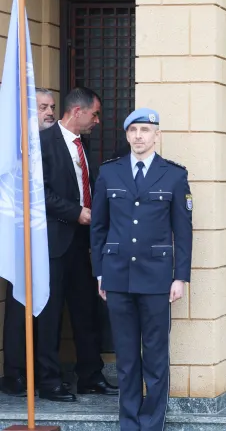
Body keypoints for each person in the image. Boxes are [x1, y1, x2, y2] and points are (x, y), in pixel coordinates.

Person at [91, 107, 192, 431]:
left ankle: (151, 423)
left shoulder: (174, 176)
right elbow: (98, 227)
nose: (138, 136)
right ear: (126, 135)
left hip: (156, 278)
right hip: (118, 275)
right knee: (126, 356)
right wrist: (100, 273)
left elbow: (184, 230)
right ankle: (129, 422)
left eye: (145, 130)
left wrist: (180, 277)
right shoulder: (110, 173)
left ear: (157, 135)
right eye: (133, 131)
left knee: (156, 356)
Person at [36, 86, 117, 402]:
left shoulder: (84, 146)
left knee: (87, 313)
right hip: (54, 243)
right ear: (77, 112)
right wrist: (77, 213)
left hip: (84, 245)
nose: (98, 121)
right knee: (51, 315)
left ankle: (90, 376)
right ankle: (49, 381)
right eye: (95, 114)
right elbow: (38, 193)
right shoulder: (41, 143)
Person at [1, 88, 58, 396]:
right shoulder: (16, 147)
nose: (49, 112)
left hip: (49, 240)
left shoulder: (49, 145)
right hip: (20, 238)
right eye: (42, 107)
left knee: (45, 306)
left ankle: (39, 370)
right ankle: (15, 373)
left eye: (51, 107)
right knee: (19, 303)